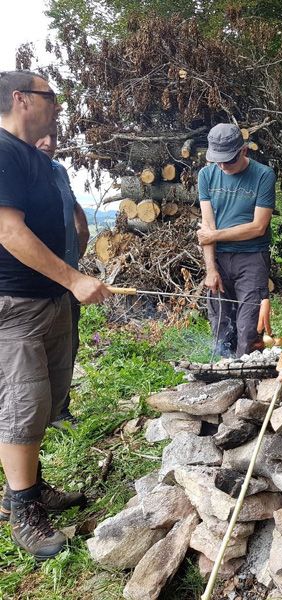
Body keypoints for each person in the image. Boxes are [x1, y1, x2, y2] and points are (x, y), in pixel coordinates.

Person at [0, 70, 111, 559]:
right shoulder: (2, 151)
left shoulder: (36, 159)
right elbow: (7, 230)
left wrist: (66, 283)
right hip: (16, 305)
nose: (58, 105)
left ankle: (30, 487)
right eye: (51, 97)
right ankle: (23, 512)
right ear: (21, 99)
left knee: (45, 402)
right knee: (23, 407)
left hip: (50, 302)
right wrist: (73, 279)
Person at [197, 123, 276, 357]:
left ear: (243, 151)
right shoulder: (206, 175)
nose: (222, 166)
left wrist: (214, 235)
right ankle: (225, 376)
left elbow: (258, 227)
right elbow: (207, 226)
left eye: (227, 160)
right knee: (221, 323)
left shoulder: (263, 175)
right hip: (219, 258)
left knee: (248, 325)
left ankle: (249, 378)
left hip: (252, 258)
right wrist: (210, 269)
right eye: (217, 160)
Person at [35, 125, 90, 426]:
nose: (48, 143)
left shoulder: (58, 171)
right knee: (32, 350)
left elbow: (74, 209)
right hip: (34, 284)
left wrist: (81, 239)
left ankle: (59, 410)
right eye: (41, 136)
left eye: (53, 137)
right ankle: (33, 417)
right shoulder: (19, 172)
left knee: (66, 345)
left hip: (68, 279)